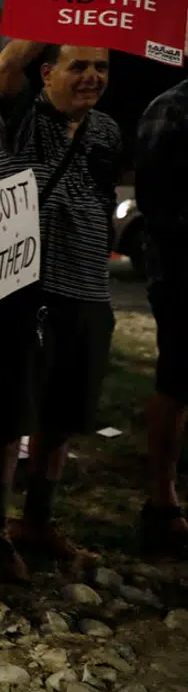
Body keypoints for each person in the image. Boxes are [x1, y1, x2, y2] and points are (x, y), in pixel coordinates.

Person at [0, 0, 121, 579]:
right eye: (77, 65)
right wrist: (62, 6)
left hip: (88, 296)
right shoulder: (22, 115)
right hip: (26, 292)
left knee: (62, 418)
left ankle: (36, 520)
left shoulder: (109, 130)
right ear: (47, 72)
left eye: (102, 67)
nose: (92, 76)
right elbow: (2, 70)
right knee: (12, 417)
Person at [135, 73, 188, 557]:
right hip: (181, 274)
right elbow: (156, 201)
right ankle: (162, 501)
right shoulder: (171, 109)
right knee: (176, 383)